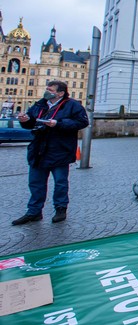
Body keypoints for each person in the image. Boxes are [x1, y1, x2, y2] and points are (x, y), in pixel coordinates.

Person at [12, 81, 89, 225]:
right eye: (47, 88)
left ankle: (60, 209)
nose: (47, 91)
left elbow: (82, 122)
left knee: (60, 182)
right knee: (36, 183)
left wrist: (58, 124)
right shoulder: (41, 104)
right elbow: (31, 122)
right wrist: (25, 120)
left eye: (50, 90)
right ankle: (34, 211)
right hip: (39, 149)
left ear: (60, 93)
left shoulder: (72, 105)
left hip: (60, 149)